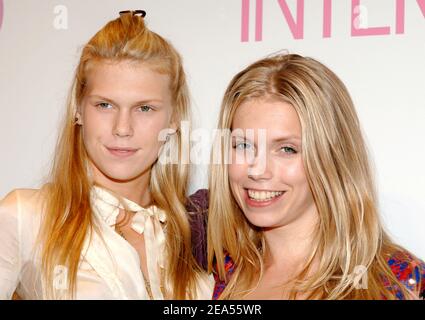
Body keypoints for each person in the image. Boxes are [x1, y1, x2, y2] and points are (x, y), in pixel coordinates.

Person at [0, 10, 212, 300]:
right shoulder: (24, 216)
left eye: (145, 108)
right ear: (79, 108)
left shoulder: (197, 234)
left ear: (174, 118)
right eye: (105, 105)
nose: (122, 128)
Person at [208, 53, 425, 300]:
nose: (257, 170)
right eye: (244, 145)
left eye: (287, 149)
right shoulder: (216, 276)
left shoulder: (400, 282)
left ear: (332, 158)